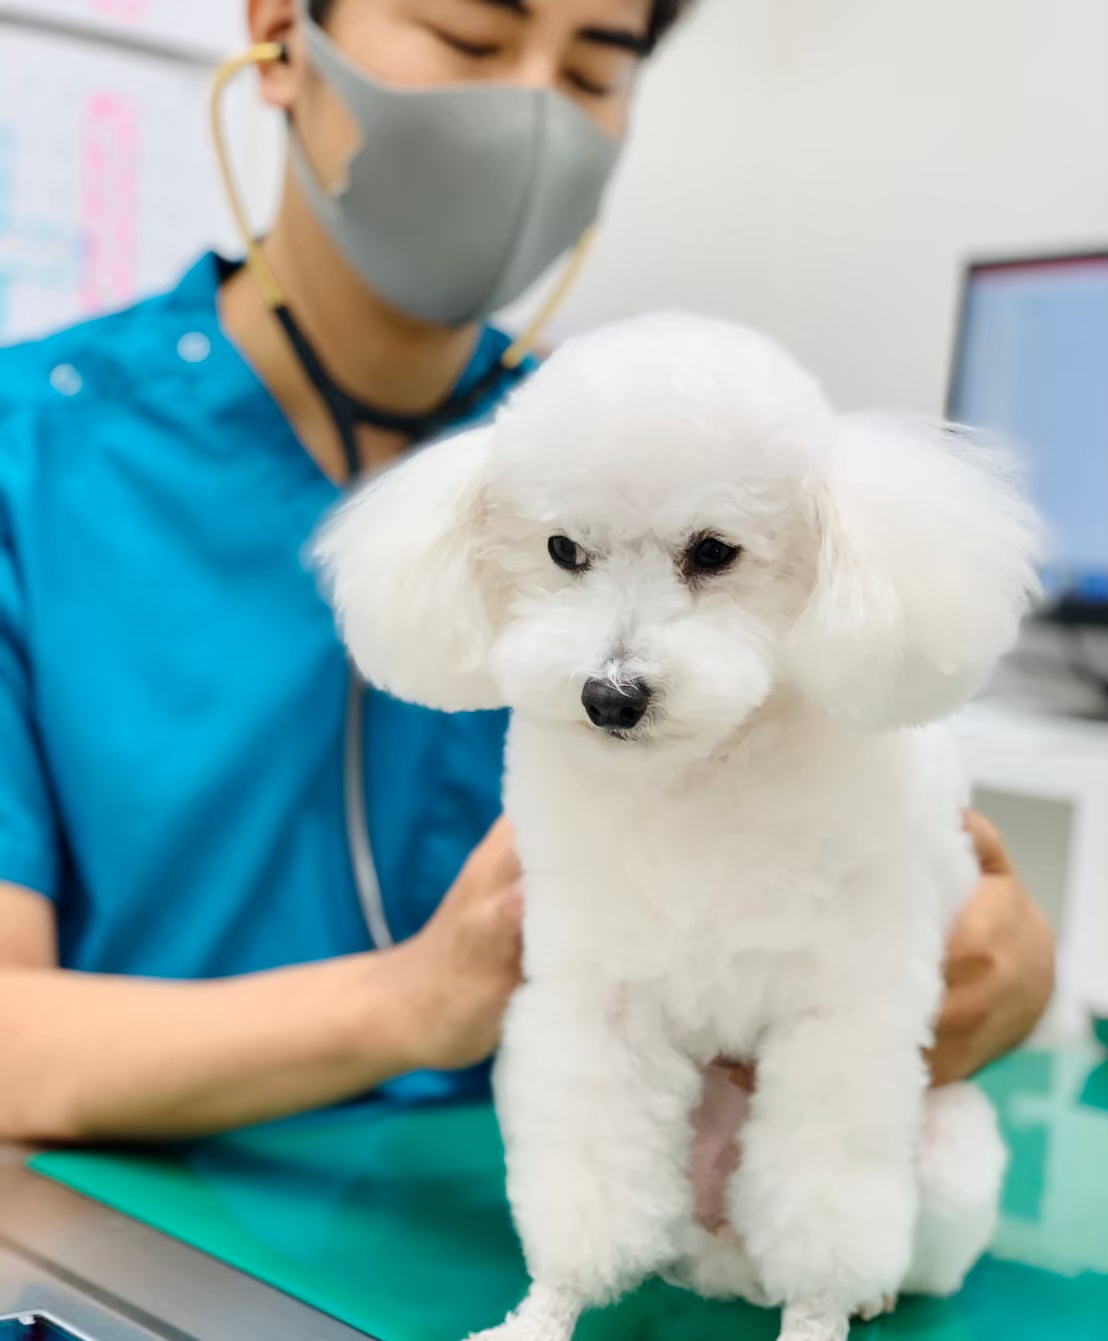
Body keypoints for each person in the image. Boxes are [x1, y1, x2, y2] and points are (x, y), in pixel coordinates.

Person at [0, 0, 1053, 1145]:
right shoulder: (33, 455)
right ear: (280, 35)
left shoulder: (652, 461)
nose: (535, 115)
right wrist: (409, 1003)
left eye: (595, 67)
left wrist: (995, 962)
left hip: (572, 1213)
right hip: (145, 1232)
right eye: (468, 37)